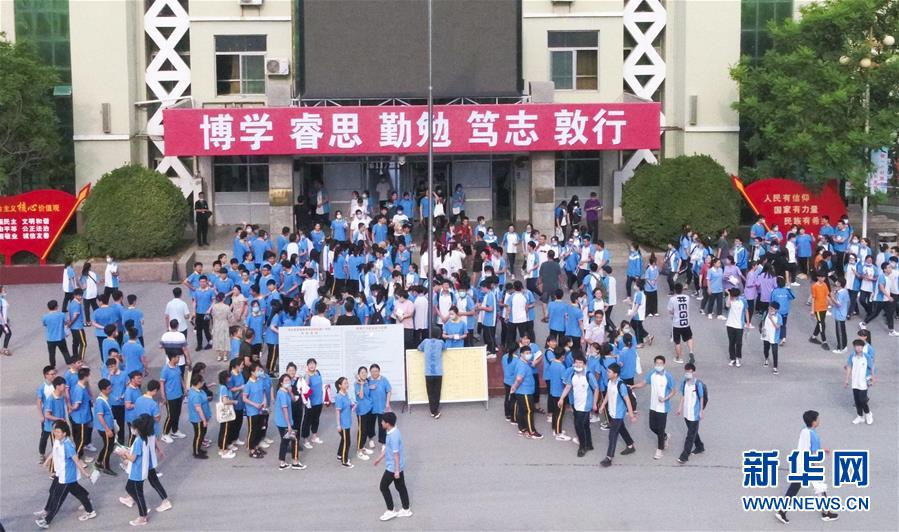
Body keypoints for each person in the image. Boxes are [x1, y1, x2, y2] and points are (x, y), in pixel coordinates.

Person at [774, 410, 839, 524]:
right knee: (820, 488)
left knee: (794, 488)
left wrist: (821, 450)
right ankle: (826, 514)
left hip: (799, 463)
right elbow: (814, 454)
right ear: (814, 422)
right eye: (818, 419)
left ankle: (782, 512)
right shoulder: (815, 436)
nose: (819, 420)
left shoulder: (804, 431)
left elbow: (807, 447)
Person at [35, 421, 97, 528]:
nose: (55, 433)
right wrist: (47, 461)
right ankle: (89, 508)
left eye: (58, 432)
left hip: (67, 477)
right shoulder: (57, 440)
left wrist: (85, 473)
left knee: (58, 498)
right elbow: (54, 452)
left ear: (64, 433)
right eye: (55, 431)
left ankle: (46, 521)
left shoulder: (68, 446)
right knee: (62, 491)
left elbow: (76, 461)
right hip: (60, 473)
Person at [631, 355, 676, 459]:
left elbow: (673, 391)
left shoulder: (668, 376)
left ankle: (659, 450)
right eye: (657, 363)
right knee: (652, 427)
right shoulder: (652, 374)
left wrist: (665, 398)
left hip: (663, 407)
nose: (658, 365)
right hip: (653, 406)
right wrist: (633, 386)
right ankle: (665, 436)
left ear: (664, 364)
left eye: (660, 363)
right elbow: (643, 383)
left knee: (660, 428)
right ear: (654, 364)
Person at [372, 411, 412, 521]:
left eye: (382, 421)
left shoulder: (393, 436)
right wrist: (379, 459)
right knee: (400, 487)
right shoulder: (393, 431)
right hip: (397, 466)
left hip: (393, 468)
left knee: (383, 486)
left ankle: (391, 510)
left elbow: (396, 455)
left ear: (388, 423)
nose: (381, 423)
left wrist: (397, 471)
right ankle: (406, 509)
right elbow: (387, 449)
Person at [558, 355, 599, 457]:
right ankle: (589, 444)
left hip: (585, 405)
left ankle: (582, 447)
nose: (578, 364)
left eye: (580, 362)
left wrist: (594, 403)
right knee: (585, 425)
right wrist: (561, 398)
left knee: (578, 425)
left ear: (584, 364)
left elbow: (596, 388)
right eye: (576, 362)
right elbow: (568, 387)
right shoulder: (572, 374)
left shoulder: (589, 375)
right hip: (576, 404)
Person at [597, 363, 636, 467]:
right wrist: (602, 405)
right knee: (621, 429)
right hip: (612, 412)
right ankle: (630, 445)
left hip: (618, 414)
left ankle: (609, 458)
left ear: (615, 374)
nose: (607, 373)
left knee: (612, 435)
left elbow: (627, 400)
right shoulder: (610, 382)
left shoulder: (621, 385)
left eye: (609, 372)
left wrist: (631, 415)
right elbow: (608, 394)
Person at [675, 362, 706, 464]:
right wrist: (680, 407)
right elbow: (683, 396)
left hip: (695, 414)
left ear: (694, 372)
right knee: (692, 431)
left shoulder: (698, 384)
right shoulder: (684, 383)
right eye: (686, 372)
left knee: (690, 435)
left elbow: (701, 397)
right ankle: (700, 446)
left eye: (690, 372)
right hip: (686, 413)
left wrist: (701, 411)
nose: (688, 373)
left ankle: (684, 455)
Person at [510, 346, 542, 439]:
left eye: (530, 353)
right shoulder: (522, 365)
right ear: (521, 354)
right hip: (525, 392)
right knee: (529, 411)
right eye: (527, 353)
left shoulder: (523, 363)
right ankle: (532, 432)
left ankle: (522, 429)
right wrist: (514, 387)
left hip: (522, 392)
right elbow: (519, 378)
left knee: (522, 410)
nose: (529, 355)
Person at [844, 339, 875, 425]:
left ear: (862, 347)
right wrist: (846, 379)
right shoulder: (852, 356)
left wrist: (873, 378)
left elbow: (872, 367)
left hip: (863, 382)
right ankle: (860, 416)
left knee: (863, 400)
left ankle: (868, 414)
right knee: (857, 400)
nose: (858, 348)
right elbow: (849, 367)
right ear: (854, 347)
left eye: (860, 346)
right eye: (856, 346)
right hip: (855, 382)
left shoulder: (866, 357)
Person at [159, 354, 186, 443]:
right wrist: (163, 395)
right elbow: (162, 383)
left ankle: (175, 431)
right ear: (172, 358)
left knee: (177, 414)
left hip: (179, 394)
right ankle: (165, 434)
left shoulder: (177, 367)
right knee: (171, 415)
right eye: (177, 357)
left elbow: (180, 378)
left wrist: (184, 388)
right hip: (170, 397)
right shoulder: (165, 370)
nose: (179, 359)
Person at [93, 378, 117, 475]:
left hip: (109, 427)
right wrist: (107, 430)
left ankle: (99, 462)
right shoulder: (100, 401)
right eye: (109, 388)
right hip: (105, 429)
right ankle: (106, 466)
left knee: (108, 446)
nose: (111, 390)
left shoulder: (106, 397)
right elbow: (100, 416)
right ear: (103, 390)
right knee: (108, 447)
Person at [417, 337, 444, 418]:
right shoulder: (441, 342)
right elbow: (445, 348)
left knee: (430, 392)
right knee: (437, 392)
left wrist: (426, 350)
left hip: (428, 373)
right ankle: (435, 411)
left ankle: (433, 410)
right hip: (438, 373)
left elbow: (419, 348)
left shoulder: (425, 341)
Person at [301, 358, 325, 449]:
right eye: (310, 364)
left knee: (316, 419)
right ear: (307, 366)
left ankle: (314, 436)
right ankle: (305, 440)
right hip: (310, 403)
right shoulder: (306, 375)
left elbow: (319, 385)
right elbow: (306, 386)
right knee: (307, 421)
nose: (312, 365)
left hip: (319, 401)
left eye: (313, 363)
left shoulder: (318, 373)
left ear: (316, 365)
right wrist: (307, 373)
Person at [667, 283, 694, 364]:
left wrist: (673, 313)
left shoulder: (672, 299)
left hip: (677, 324)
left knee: (677, 341)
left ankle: (679, 358)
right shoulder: (687, 297)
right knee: (689, 338)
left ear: (675, 290)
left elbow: (670, 310)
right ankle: (691, 351)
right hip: (686, 322)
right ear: (682, 289)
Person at [187, 373, 211, 459]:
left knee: (202, 434)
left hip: (201, 417)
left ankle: (199, 448)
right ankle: (196, 452)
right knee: (199, 435)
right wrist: (204, 420)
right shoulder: (195, 395)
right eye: (202, 381)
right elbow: (198, 409)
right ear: (198, 383)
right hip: (198, 418)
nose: (203, 382)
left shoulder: (197, 390)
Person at [42, 300, 71, 368]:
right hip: (60, 337)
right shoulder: (62, 315)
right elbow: (66, 323)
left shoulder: (45, 316)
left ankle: (52, 367)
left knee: (51, 354)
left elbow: (45, 324)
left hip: (50, 338)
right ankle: (70, 365)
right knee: (65, 352)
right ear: (56, 307)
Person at [725, 288, 749, 367]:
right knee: (731, 342)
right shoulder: (730, 299)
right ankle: (732, 358)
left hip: (739, 326)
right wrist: (729, 294)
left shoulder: (743, 301)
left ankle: (738, 358)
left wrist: (748, 323)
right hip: (730, 324)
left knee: (739, 343)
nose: (732, 297)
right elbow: (727, 305)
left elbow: (746, 311)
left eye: (732, 295)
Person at [334, 376, 354, 468]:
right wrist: (338, 425)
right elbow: (337, 412)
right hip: (343, 423)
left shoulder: (346, 394)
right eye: (345, 383)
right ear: (340, 385)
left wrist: (352, 406)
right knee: (347, 442)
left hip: (348, 421)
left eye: (347, 383)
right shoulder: (339, 397)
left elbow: (347, 406)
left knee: (344, 439)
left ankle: (339, 455)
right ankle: (344, 461)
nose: (347, 385)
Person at [809, 275, 831, 350]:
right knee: (822, 324)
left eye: (824, 277)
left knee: (820, 323)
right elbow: (813, 298)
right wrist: (812, 310)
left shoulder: (824, 285)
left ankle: (813, 337)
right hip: (817, 309)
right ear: (818, 277)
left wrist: (830, 303)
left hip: (824, 308)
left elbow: (826, 295)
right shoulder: (814, 286)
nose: (823, 279)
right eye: (822, 277)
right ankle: (824, 341)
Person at [761, 302, 783, 374]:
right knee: (766, 349)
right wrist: (763, 328)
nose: (770, 310)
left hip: (774, 337)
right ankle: (766, 359)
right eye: (769, 308)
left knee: (774, 352)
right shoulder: (766, 313)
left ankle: (775, 367)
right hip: (766, 335)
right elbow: (763, 321)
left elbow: (777, 327)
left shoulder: (779, 316)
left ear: (776, 310)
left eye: (772, 309)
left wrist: (771, 319)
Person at [0, 284, 10, 356]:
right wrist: (4, 324)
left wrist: (7, 319)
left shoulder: (2, 299)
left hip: (3, 321)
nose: (5, 291)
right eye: (3, 290)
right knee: (8, 333)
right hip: (1, 322)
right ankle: (4, 349)